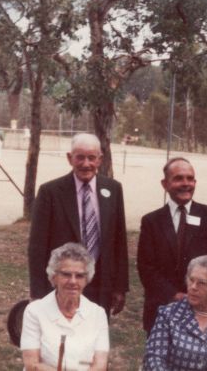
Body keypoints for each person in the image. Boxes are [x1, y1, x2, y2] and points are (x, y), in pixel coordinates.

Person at [28, 133, 129, 316]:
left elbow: (119, 242)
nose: (86, 164)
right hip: (63, 283)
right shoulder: (50, 192)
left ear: (100, 159)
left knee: (95, 338)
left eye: (91, 158)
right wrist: (37, 292)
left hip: (100, 285)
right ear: (70, 158)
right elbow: (37, 246)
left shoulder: (113, 189)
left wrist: (120, 287)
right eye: (80, 157)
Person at [137, 157, 207, 334]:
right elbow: (146, 267)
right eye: (178, 178)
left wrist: (198, 293)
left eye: (190, 178)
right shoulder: (151, 221)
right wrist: (175, 295)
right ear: (165, 183)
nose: (186, 183)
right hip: (161, 308)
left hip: (201, 309)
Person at [21, 243, 109, 371]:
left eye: (79, 276)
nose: (73, 281)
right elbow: (32, 364)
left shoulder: (98, 314)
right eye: (66, 274)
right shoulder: (34, 311)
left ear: (87, 279)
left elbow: (100, 365)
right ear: (54, 276)